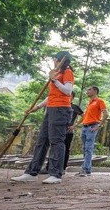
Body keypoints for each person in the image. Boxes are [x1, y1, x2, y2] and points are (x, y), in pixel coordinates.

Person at [11, 51, 74, 184]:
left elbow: (68, 91)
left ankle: (56, 174)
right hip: (51, 109)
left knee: (56, 141)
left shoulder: (67, 72)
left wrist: (54, 80)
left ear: (59, 60)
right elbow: (51, 96)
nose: (54, 61)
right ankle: (32, 172)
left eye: (55, 59)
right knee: (42, 141)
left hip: (61, 110)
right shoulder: (56, 73)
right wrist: (36, 107)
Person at [40, 92, 83, 174]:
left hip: (68, 131)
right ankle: (48, 167)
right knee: (54, 147)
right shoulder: (60, 106)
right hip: (57, 131)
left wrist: (75, 125)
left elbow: (84, 115)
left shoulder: (74, 107)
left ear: (72, 97)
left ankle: (62, 168)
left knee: (66, 149)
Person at [73, 86, 108, 176]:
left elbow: (106, 114)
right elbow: (85, 116)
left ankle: (86, 170)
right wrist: (77, 124)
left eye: (89, 90)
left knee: (88, 148)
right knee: (85, 149)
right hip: (85, 127)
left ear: (95, 91)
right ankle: (85, 168)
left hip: (92, 127)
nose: (87, 91)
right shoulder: (89, 102)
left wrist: (99, 125)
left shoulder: (99, 101)